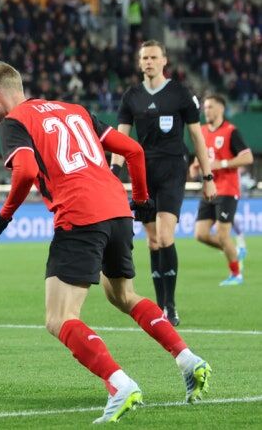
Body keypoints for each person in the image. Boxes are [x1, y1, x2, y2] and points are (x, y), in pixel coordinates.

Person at [0, 61, 211, 423]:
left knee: (59, 318)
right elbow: (133, 150)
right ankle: (188, 360)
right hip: (117, 209)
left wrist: (4, 217)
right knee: (123, 295)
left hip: (79, 214)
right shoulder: (76, 110)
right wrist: (141, 199)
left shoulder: (15, 122)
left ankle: (119, 384)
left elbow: (25, 170)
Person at [109, 40, 216, 326]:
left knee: (166, 236)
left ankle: (170, 305)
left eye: (154, 57)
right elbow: (120, 138)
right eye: (144, 58)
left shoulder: (180, 93)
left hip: (172, 170)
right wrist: (113, 173)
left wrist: (208, 177)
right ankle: (159, 307)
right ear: (139, 62)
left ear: (164, 60)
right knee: (153, 240)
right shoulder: (131, 96)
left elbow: (197, 137)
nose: (149, 62)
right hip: (143, 172)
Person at [190, 94, 253, 286]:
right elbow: (202, 156)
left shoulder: (231, 131)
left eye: (210, 107)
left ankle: (236, 274)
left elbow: (248, 157)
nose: (206, 110)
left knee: (223, 234)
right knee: (200, 234)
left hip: (227, 188)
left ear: (221, 109)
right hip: (209, 190)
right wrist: (195, 166)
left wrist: (222, 163)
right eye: (205, 107)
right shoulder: (201, 131)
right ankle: (234, 250)